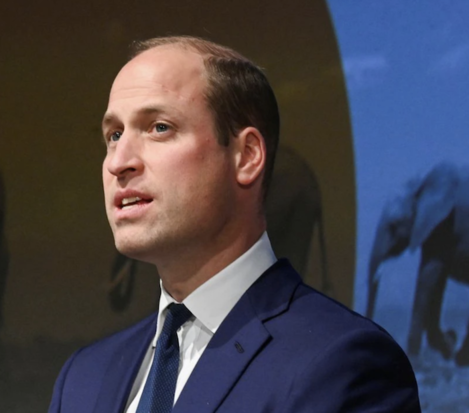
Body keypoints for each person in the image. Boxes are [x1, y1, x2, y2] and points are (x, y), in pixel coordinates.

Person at [49, 35, 420, 413]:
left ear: (246, 157)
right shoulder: (82, 378)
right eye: (113, 135)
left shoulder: (344, 365)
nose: (118, 162)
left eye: (159, 127)